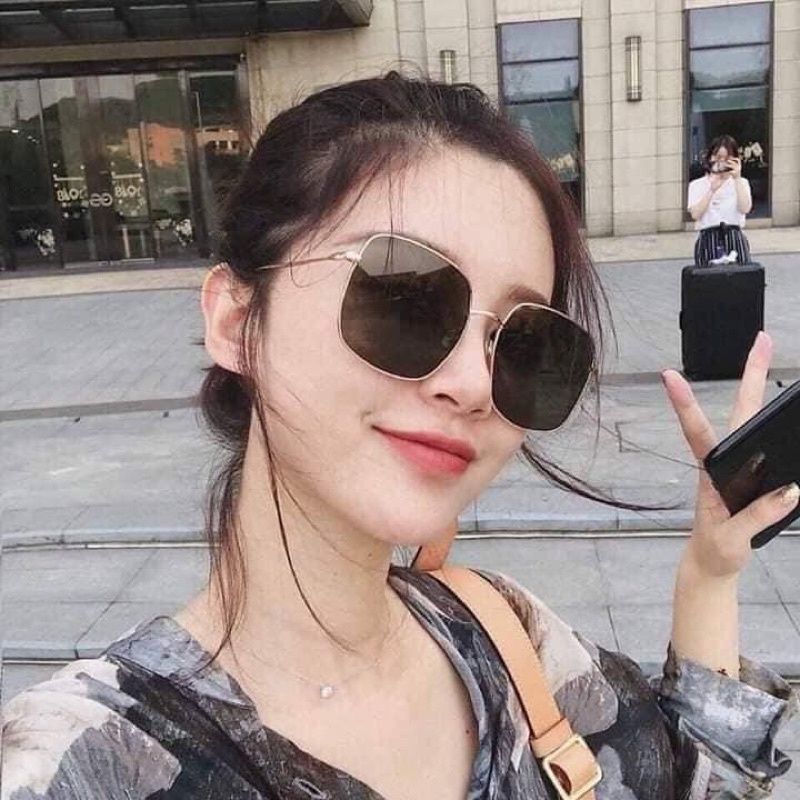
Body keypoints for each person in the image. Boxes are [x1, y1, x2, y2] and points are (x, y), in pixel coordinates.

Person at [2, 73, 797, 800]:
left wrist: (709, 574)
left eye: (524, 342)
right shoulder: (82, 765)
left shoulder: (507, 638)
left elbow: (689, 781)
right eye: (406, 298)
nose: (474, 384)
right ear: (238, 321)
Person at [687, 134, 753, 266]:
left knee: (740, 276)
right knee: (707, 277)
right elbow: (695, 214)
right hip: (708, 238)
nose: (721, 162)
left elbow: (745, 208)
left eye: (727, 158)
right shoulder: (697, 185)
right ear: (710, 158)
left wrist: (737, 178)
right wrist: (711, 190)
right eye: (718, 157)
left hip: (734, 236)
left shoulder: (741, 183)